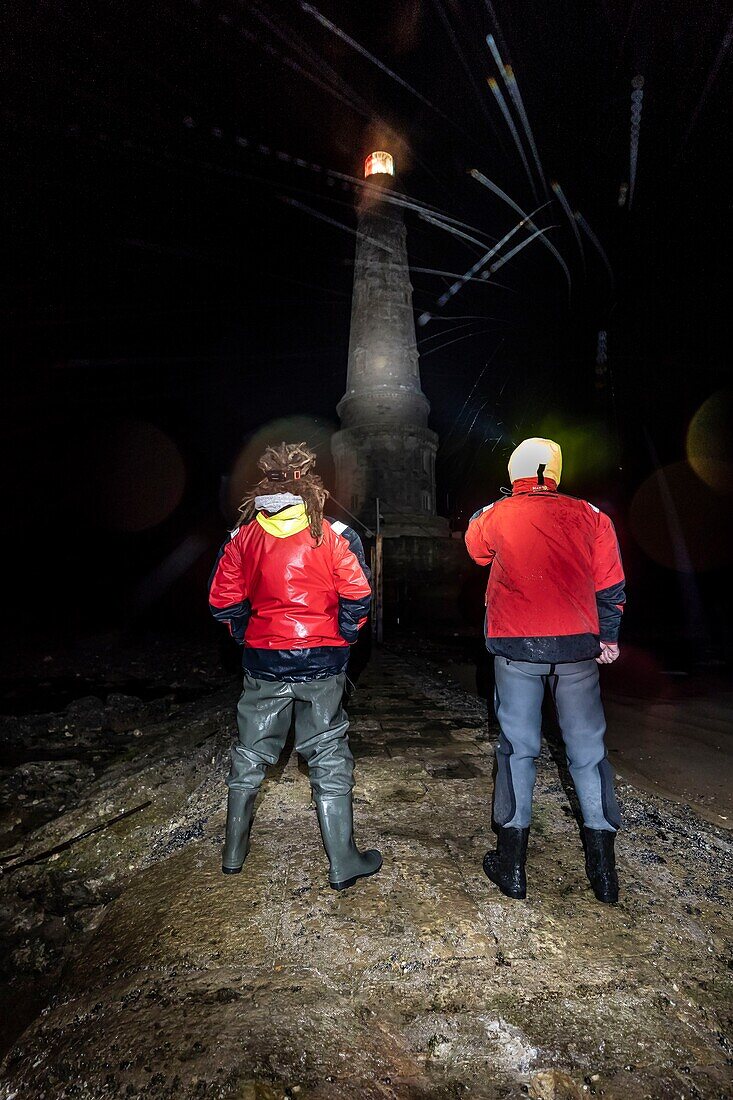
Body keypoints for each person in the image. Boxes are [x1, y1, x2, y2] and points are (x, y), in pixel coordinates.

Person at [208, 441, 381, 890]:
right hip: (322, 660)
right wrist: (344, 635)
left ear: (263, 490)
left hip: (264, 660)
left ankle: (233, 855)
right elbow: (359, 596)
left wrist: (248, 635)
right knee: (327, 754)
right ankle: (343, 862)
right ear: (311, 488)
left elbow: (223, 601)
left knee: (250, 752)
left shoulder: (242, 536)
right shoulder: (334, 533)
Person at [465, 437, 625, 904]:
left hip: (516, 645)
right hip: (577, 646)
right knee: (588, 751)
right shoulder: (592, 515)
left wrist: (490, 508)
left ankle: (512, 869)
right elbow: (611, 582)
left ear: (515, 471)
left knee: (518, 749)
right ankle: (605, 876)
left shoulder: (497, 513)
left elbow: (476, 550)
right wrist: (609, 636)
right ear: (556, 471)